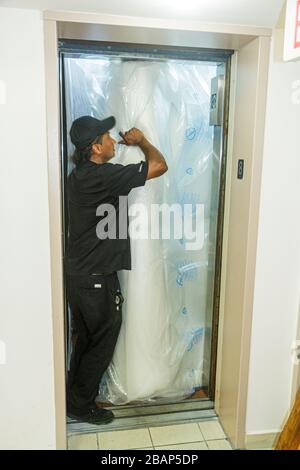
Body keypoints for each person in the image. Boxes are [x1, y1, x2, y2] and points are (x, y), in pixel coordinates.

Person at [65, 115, 168, 424]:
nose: (113, 141)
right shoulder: (102, 176)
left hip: (81, 276)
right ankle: (81, 406)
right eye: (107, 137)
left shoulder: (79, 175)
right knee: (102, 341)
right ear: (95, 148)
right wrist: (142, 142)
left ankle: (75, 398)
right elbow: (159, 166)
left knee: (87, 339)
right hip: (95, 278)